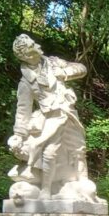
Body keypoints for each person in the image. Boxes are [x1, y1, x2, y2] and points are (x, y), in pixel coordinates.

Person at [7, 34, 98, 203]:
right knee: (49, 152)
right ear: (27, 55)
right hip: (49, 118)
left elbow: (81, 69)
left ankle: (84, 185)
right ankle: (46, 190)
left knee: (79, 149)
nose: (38, 44)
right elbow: (23, 110)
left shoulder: (53, 62)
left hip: (68, 113)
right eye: (32, 45)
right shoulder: (25, 82)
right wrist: (18, 135)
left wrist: (64, 73)